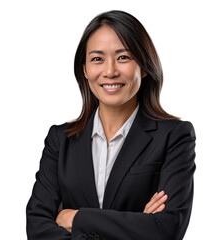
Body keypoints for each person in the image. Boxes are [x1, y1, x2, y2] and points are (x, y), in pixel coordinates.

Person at [26, 10, 196, 240]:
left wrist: (75, 218)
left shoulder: (174, 136)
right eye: (97, 59)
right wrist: (137, 224)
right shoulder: (60, 140)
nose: (110, 71)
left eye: (123, 57)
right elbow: (37, 228)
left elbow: (165, 229)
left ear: (144, 67)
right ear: (84, 69)